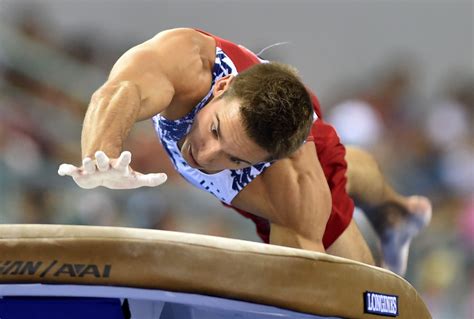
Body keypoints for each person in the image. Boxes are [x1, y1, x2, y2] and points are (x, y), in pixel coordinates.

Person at [58, 28, 431, 275]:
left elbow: (334, 287)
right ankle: (399, 212)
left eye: (233, 160)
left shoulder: (290, 188)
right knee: (337, 164)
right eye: (216, 129)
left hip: (295, 163)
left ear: (268, 161)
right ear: (220, 88)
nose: (206, 157)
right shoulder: (184, 66)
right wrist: (100, 153)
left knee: (332, 179)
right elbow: (120, 91)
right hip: (269, 103)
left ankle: (394, 213)